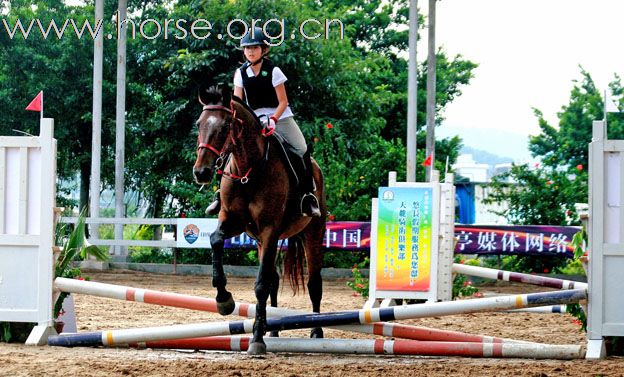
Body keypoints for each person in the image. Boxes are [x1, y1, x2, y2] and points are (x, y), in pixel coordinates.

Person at [206, 27, 321, 217]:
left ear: (263, 49)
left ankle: (307, 196)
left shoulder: (273, 71)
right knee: (229, 148)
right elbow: (238, 103)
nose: (250, 51)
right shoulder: (240, 73)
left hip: (280, 117)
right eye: (247, 48)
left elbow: (283, 101)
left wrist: (274, 119)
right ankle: (220, 195)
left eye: (255, 47)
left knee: (301, 148)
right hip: (253, 119)